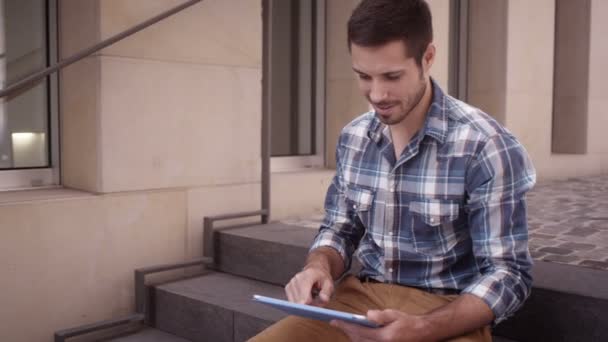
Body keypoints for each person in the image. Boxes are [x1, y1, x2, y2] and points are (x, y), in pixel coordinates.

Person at [251, 0, 536, 341]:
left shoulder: (485, 145)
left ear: (427, 58)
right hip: (360, 301)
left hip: (446, 309)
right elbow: (339, 231)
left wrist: (424, 327)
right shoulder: (354, 138)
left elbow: (509, 274)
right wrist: (318, 266)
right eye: (364, 76)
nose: (377, 94)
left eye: (392, 76)